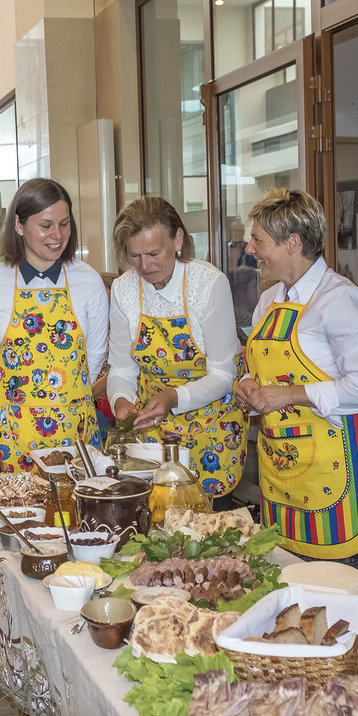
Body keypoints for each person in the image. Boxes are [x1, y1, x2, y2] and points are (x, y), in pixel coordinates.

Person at [235, 188, 358, 565]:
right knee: (282, 576)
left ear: (293, 243)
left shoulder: (340, 299)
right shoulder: (269, 300)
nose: (250, 249)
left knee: (329, 582)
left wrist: (289, 395)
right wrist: (247, 384)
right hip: (281, 465)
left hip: (333, 466)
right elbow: (261, 368)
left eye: (258, 240)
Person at [0, 178, 107, 474]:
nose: (57, 235)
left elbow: (94, 357)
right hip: (6, 437)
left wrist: (65, 399)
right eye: (46, 225)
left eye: (64, 224)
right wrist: (2, 407)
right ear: (19, 225)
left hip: (73, 433)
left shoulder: (89, 281)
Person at [107, 197, 247, 499]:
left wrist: (173, 397)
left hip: (211, 429)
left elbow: (223, 374)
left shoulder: (209, 284)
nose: (144, 266)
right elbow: (121, 369)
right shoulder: (123, 289)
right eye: (135, 256)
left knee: (208, 523)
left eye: (153, 253)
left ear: (178, 239)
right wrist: (121, 401)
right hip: (153, 431)